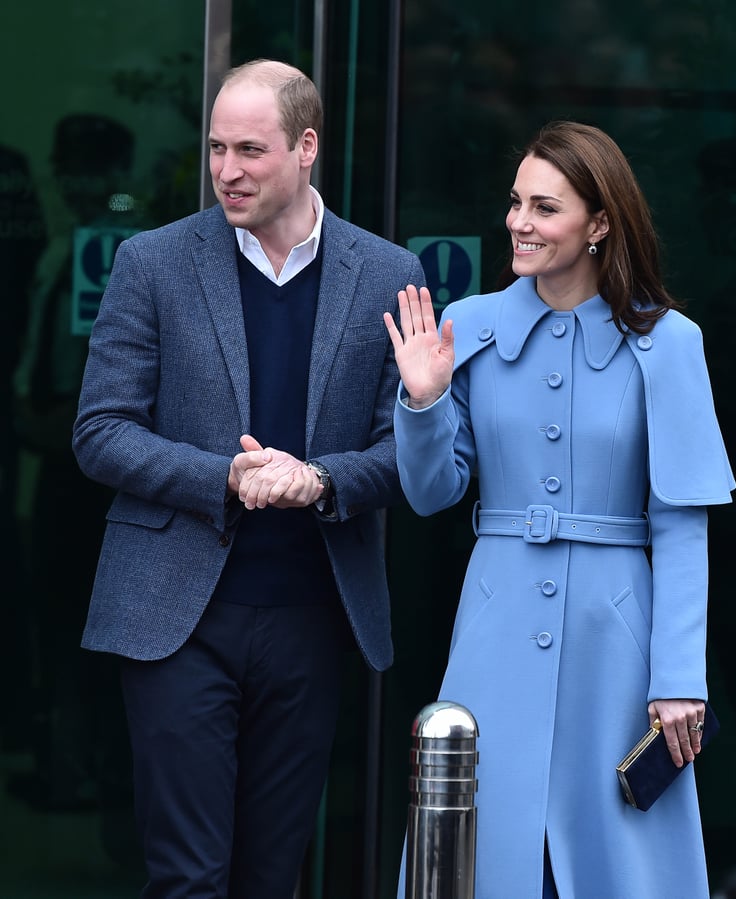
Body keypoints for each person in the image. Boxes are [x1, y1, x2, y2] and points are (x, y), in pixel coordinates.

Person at [72, 59, 425, 899]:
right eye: (216, 149)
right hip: (175, 617)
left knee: (273, 876)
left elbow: (407, 452)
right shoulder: (151, 262)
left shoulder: (388, 274)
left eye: (250, 151)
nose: (226, 170)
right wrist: (223, 476)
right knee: (189, 877)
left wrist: (320, 480)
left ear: (307, 147)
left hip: (311, 614)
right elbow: (99, 430)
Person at [384, 120, 735, 899]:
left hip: (618, 636)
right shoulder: (467, 326)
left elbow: (682, 522)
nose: (519, 222)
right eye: (516, 203)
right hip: (494, 617)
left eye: (545, 208)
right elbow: (432, 491)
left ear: (599, 223)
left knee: (616, 850)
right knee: (488, 842)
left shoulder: (670, 342)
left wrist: (679, 674)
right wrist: (422, 399)